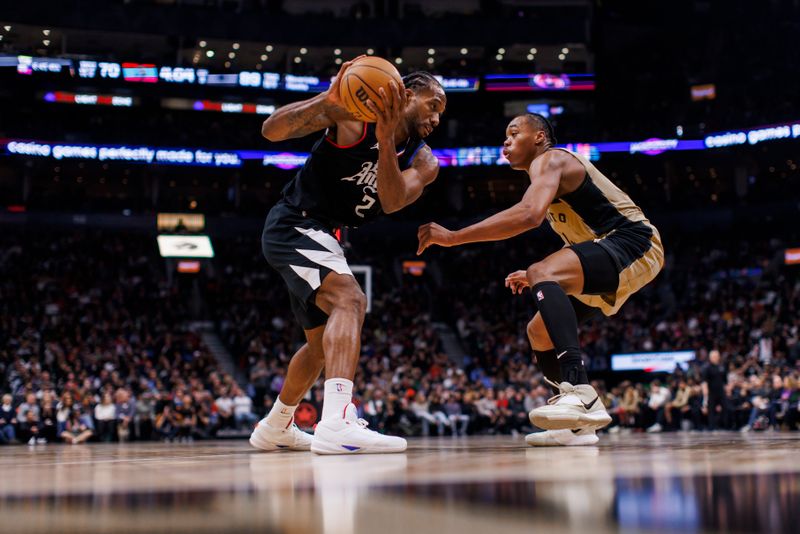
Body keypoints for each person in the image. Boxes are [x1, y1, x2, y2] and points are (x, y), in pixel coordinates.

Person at [417, 113, 664, 446]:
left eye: (514, 132)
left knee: (542, 271)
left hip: (633, 240)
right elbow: (578, 239)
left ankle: (581, 392)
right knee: (538, 330)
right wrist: (545, 274)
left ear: (539, 137)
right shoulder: (548, 174)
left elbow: (528, 215)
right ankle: (577, 425)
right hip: (609, 248)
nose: (506, 140)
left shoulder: (550, 159)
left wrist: (454, 237)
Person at [250, 57, 446, 455]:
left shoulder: (424, 162)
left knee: (321, 347)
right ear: (404, 95)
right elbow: (271, 131)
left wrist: (388, 139)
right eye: (433, 105)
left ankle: (276, 426)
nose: (437, 119)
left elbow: (390, 201)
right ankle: (336, 420)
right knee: (351, 299)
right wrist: (329, 98)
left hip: (327, 235)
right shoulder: (354, 118)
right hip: (296, 223)